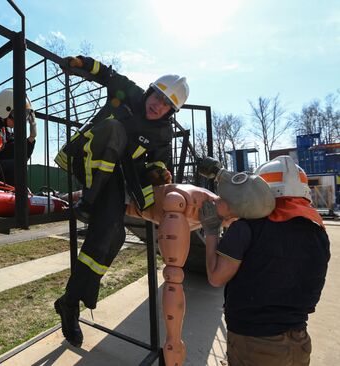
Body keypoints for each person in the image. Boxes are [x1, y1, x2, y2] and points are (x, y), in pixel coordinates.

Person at [53, 55, 189, 347]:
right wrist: (80, 63)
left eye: (167, 104)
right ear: (150, 91)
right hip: (85, 158)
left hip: (112, 179)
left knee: (112, 235)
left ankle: (70, 301)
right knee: (115, 129)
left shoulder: (163, 136)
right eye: (158, 96)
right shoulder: (130, 92)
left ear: (170, 111)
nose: (157, 105)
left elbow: (157, 170)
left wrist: (158, 175)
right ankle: (87, 203)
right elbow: (105, 73)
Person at [199, 155, 330, 366]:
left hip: (253, 343)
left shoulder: (246, 228)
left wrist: (211, 231)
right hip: (299, 342)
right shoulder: (318, 233)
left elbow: (216, 277)